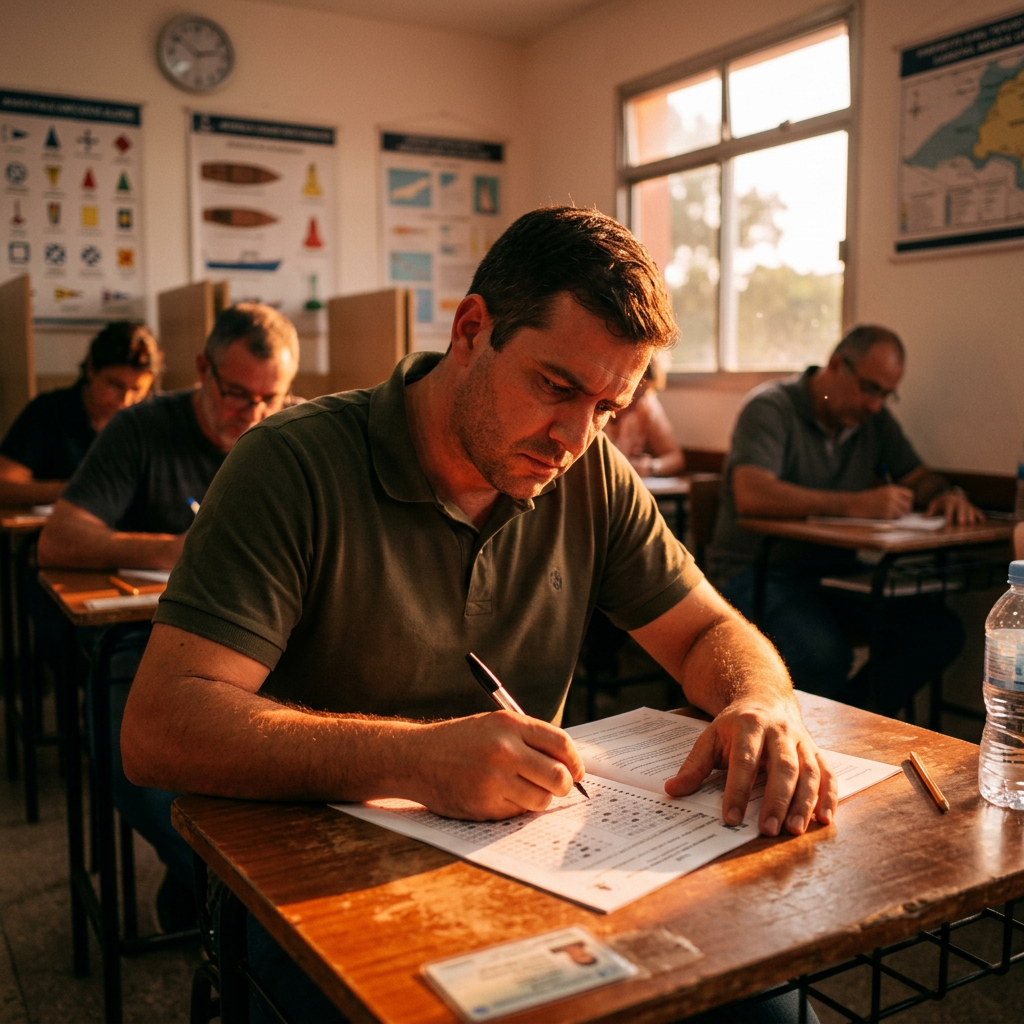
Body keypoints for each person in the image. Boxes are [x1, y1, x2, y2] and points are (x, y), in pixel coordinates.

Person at [121, 208, 833, 1024]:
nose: (574, 436)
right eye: (556, 387)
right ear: (470, 329)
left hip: (525, 871)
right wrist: (414, 760)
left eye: (608, 408)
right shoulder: (290, 464)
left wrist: (760, 701)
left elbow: (709, 631)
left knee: (767, 1008)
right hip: (310, 888)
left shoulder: (590, 473)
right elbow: (160, 725)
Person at [38, 302, 299, 931]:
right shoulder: (141, 429)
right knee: (157, 770)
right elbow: (59, 541)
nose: (254, 414)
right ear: (202, 369)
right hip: (146, 646)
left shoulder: (292, 435)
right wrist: (176, 549)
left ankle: (221, 909)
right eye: (238, 395)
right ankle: (225, 912)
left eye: (272, 398)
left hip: (271, 648)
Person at [707, 325, 980, 716]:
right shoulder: (771, 407)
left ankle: (848, 725)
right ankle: (831, 733)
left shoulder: (873, 421)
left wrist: (946, 494)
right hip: (757, 571)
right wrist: (856, 505)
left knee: (938, 632)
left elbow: (917, 477)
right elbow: (753, 494)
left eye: (887, 395)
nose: (875, 405)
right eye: (870, 388)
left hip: (834, 575)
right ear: (837, 365)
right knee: (820, 655)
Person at [0, 321, 159, 506]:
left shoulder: (146, 419)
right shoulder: (49, 411)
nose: (125, 400)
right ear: (91, 369)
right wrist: (79, 489)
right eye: (115, 385)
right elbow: (5, 487)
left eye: (137, 389)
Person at [602, 356, 685, 476]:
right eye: (632, 393)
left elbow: (676, 458)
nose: (636, 401)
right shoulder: (598, 407)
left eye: (643, 393)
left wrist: (652, 467)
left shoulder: (645, 405)